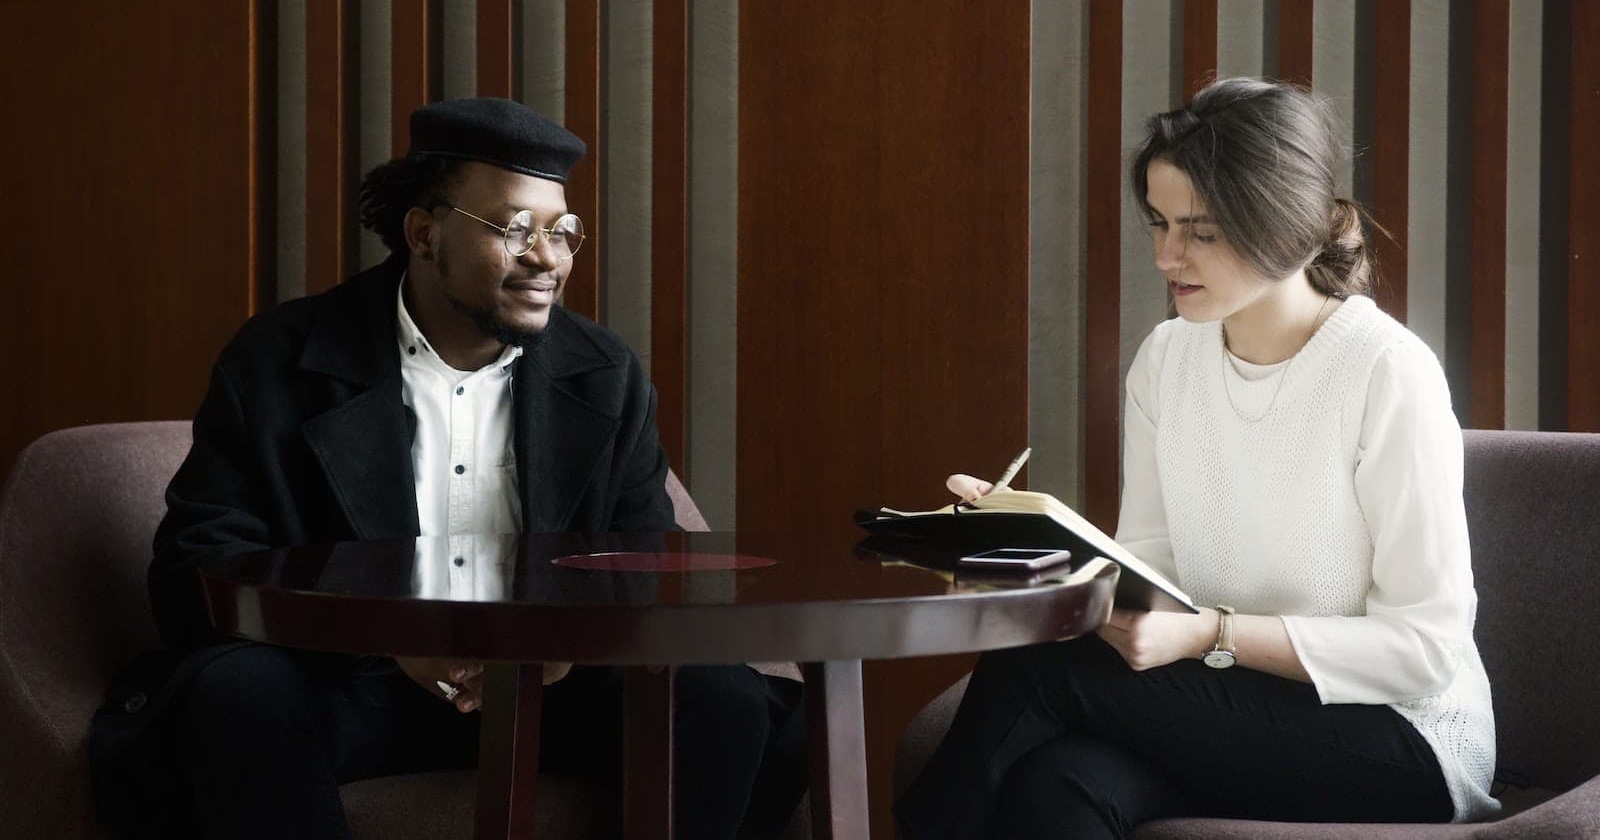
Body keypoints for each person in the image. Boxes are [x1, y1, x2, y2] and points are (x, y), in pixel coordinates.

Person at [100, 98, 806, 839]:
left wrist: (565, 646)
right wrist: (389, 637)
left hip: (552, 687)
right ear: (424, 232)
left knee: (719, 697)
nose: (548, 259)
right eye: (515, 229)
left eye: (562, 232)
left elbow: (642, 564)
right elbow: (194, 574)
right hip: (350, 680)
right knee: (238, 693)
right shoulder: (278, 359)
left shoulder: (605, 375)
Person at [894, 78, 1497, 838]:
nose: (1165, 255)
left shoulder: (1385, 372)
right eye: (1160, 222)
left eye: (1201, 231)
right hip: (1226, 705)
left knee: (1037, 674)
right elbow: (1153, 580)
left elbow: (1424, 650)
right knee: (1058, 787)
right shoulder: (1167, 359)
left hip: (1401, 739)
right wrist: (1029, 551)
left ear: (1286, 225)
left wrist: (1214, 633)